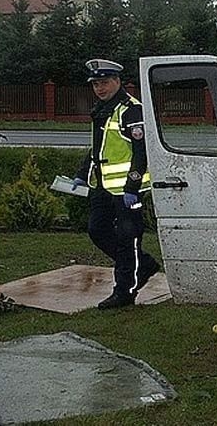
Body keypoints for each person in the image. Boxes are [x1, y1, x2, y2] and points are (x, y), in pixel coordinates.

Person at [73, 59, 159, 309]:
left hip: (127, 190)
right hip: (103, 186)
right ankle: (142, 265)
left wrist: (132, 187)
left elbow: (142, 152)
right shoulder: (102, 109)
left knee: (127, 238)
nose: (100, 88)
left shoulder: (130, 110)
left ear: (117, 81)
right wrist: (82, 173)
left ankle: (125, 291)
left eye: (104, 82)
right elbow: (98, 149)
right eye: (96, 84)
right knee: (97, 230)